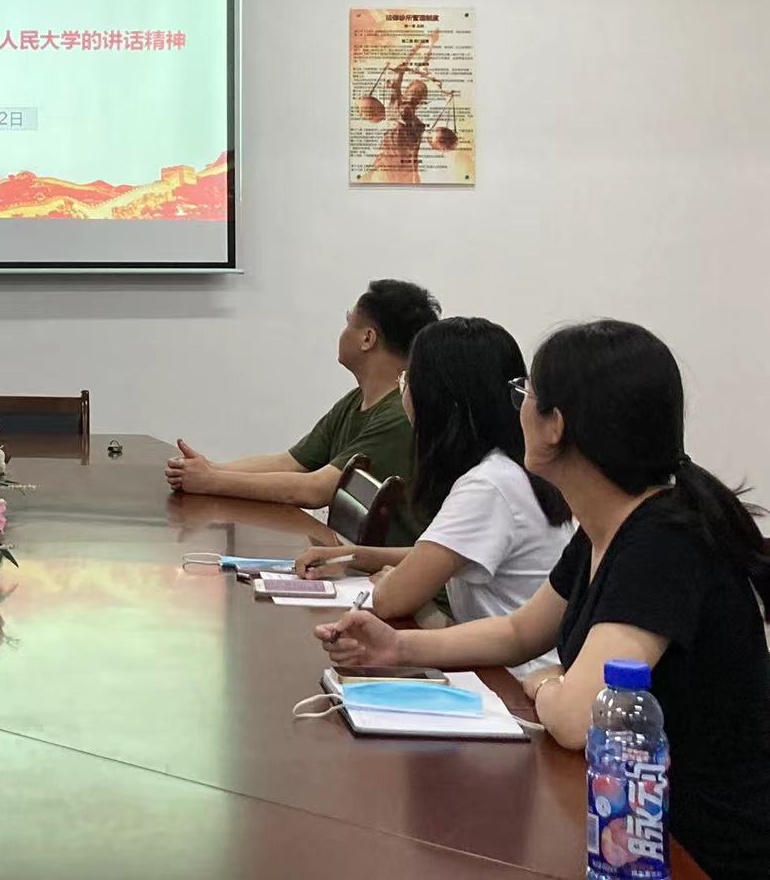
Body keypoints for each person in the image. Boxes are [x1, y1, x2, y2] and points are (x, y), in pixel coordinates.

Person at [317, 321, 770, 880]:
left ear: (556, 425)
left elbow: (581, 718)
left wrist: (546, 681)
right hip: (621, 821)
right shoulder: (607, 526)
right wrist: (396, 647)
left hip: (685, 847)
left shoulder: (663, 541)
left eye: (526, 393)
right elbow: (518, 632)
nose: (518, 409)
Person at [294, 317, 573, 672]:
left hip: (512, 681)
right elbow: (445, 554)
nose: (403, 391)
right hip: (509, 667)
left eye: (407, 379)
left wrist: (397, 585)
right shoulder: (509, 468)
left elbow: (390, 600)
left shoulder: (488, 486)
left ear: (436, 399)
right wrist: (354, 556)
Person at [165, 279, 440, 545]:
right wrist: (208, 469)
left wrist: (212, 481)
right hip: (350, 557)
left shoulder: (399, 415)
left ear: (367, 339)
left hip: (383, 568)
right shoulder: (357, 399)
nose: (342, 332)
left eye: (349, 323)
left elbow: (314, 490)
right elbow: (289, 462)